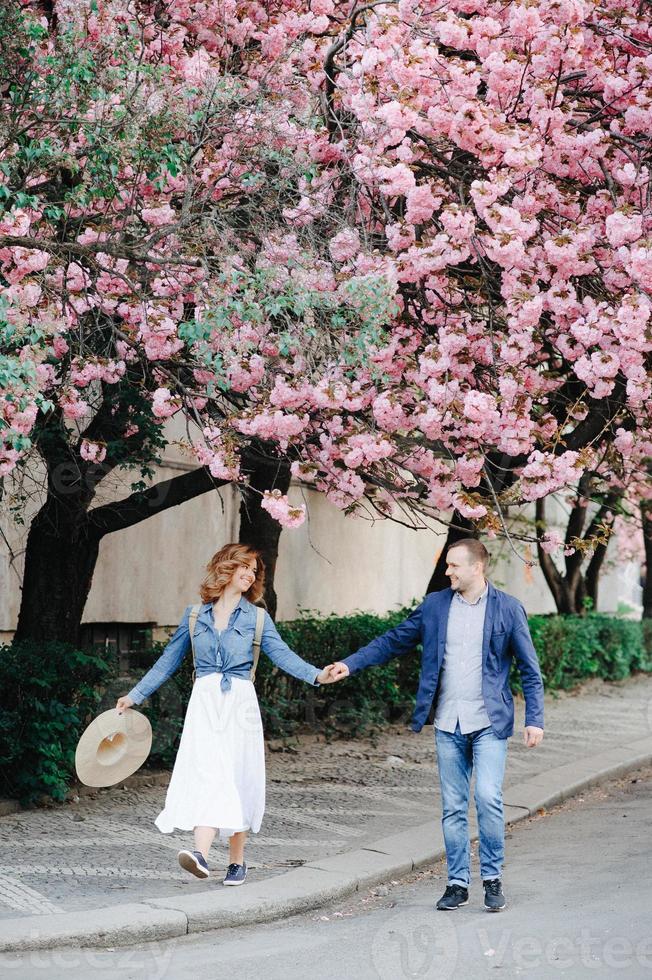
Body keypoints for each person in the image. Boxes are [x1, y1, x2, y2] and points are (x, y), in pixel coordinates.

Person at [327, 538, 544, 913]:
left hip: (490, 722)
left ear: (478, 567)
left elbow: (529, 669)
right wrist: (352, 663)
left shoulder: (508, 609)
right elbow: (393, 640)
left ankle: (492, 878)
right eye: (447, 566)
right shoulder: (435, 605)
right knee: (453, 807)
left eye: (454, 566)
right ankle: (457, 883)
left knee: (488, 798)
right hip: (447, 721)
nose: (447, 572)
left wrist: (535, 720)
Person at [116, 543, 337, 886]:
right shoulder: (194, 616)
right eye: (244, 567)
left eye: (254, 571)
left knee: (237, 775)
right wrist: (135, 695)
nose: (250, 574)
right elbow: (167, 662)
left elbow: (284, 656)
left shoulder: (258, 618)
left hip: (239, 704)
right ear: (226, 568)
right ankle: (201, 855)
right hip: (204, 702)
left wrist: (318, 675)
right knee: (209, 772)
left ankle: (237, 861)